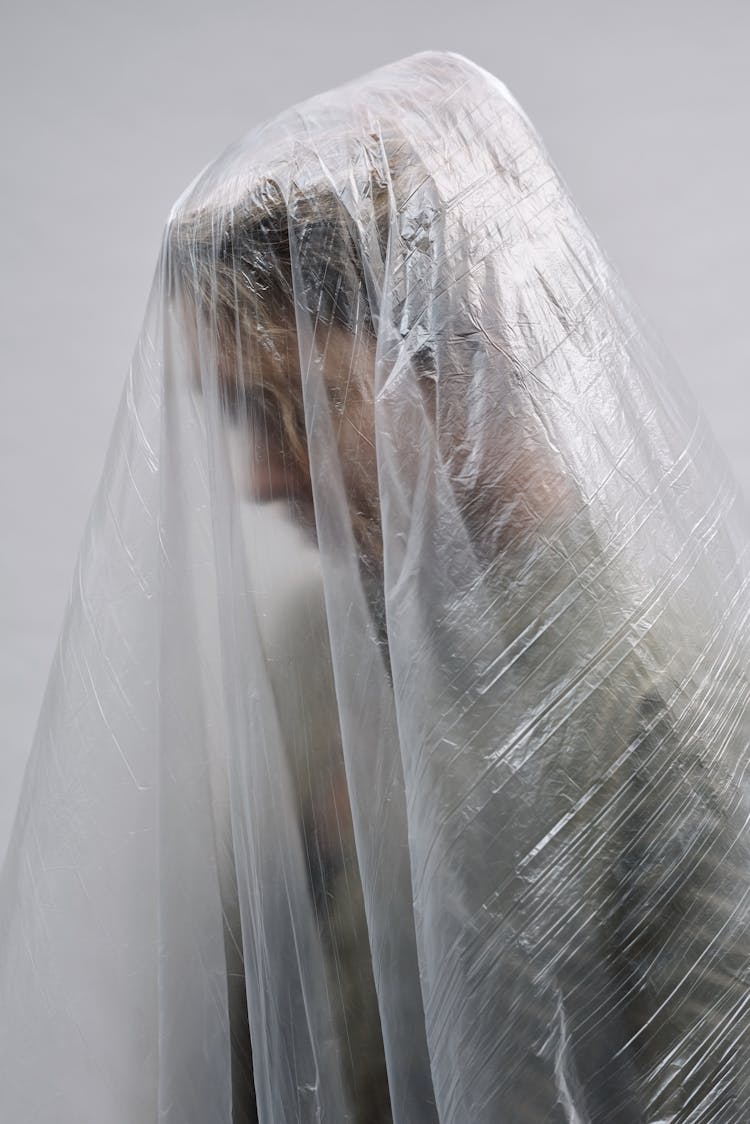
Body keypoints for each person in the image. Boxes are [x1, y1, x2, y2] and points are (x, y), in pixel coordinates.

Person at [3, 50, 750, 1123]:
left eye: (293, 404)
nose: (255, 477)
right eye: (233, 417)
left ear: (457, 362)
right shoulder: (307, 660)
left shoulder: (660, 718)